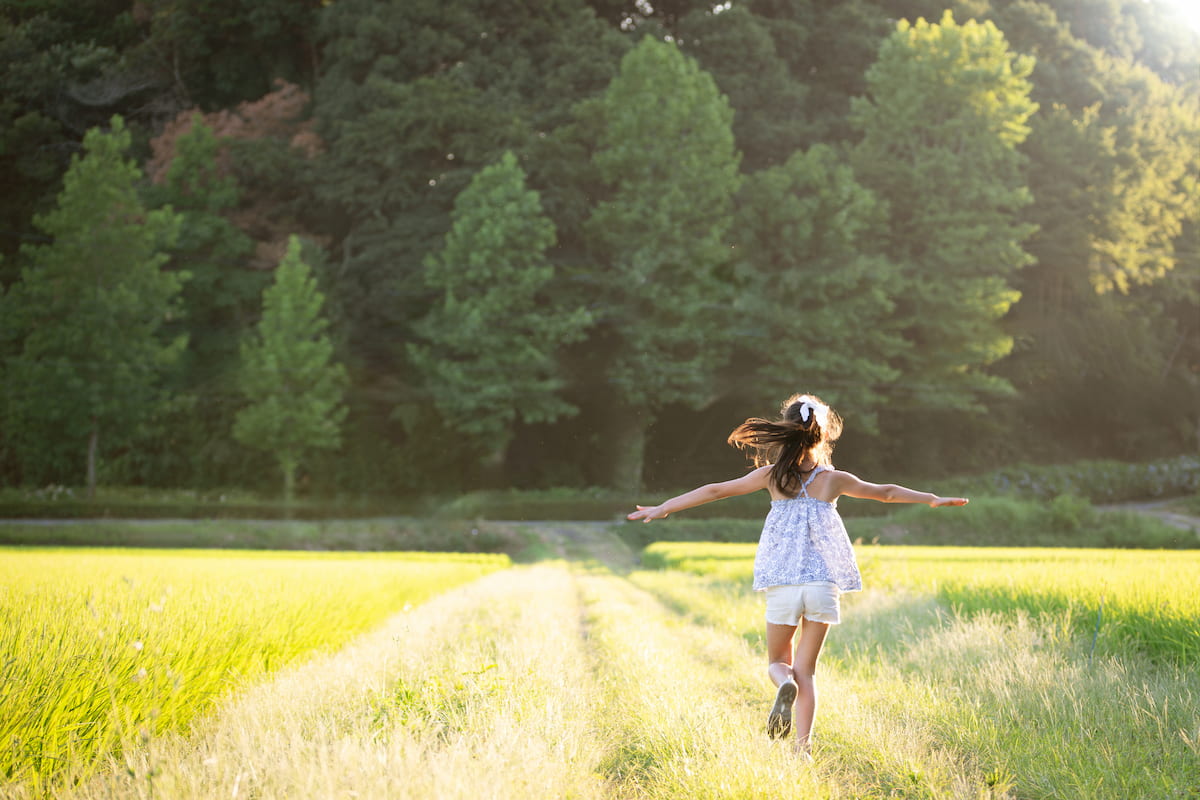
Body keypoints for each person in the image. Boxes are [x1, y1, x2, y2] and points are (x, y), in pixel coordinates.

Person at [627, 393, 968, 760]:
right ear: (822, 436)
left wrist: (664, 507)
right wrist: (930, 497)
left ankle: (782, 684)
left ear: (788, 434)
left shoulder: (772, 476)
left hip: (783, 583)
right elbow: (885, 493)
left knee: (778, 661)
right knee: (808, 671)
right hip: (822, 585)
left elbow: (716, 490)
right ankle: (802, 750)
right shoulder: (834, 480)